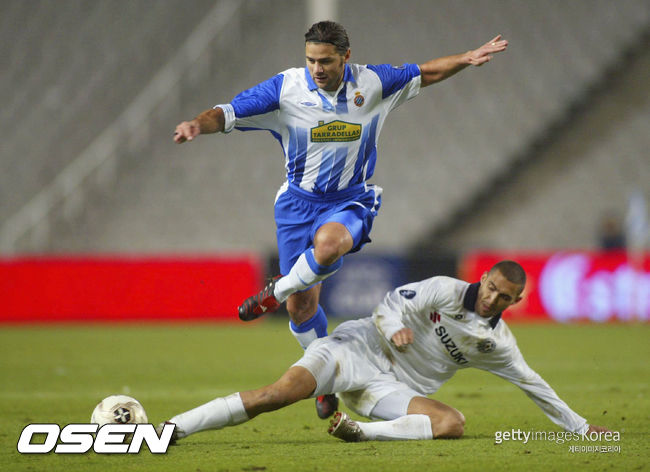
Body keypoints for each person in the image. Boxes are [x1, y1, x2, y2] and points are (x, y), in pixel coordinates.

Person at [173, 20, 508, 418]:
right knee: (302, 308)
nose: (318, 68)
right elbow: (225, 113)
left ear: (346, 56)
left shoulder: (374, 84)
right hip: (297, 205)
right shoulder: (285, 89)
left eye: (326, 61)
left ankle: (275, 292)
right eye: (312, 60)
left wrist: (467, 59)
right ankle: (323, 379)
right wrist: (198, 124)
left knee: (329, 247)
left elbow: (426, 71)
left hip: (351, 201)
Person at [159, 260, 610, 442]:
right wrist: (394, 329)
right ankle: (171, 430)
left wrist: (579, 427)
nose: (491, 298)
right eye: (491, 287)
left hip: (390, 390)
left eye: (503, 297)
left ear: (514, 302)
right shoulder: (443, 290)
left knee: (452, 423)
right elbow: (388, 304)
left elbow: (532, 384)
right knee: (273, 397)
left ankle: (360, 431)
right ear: (485, 276)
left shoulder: (496, 344)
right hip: (357, 349)